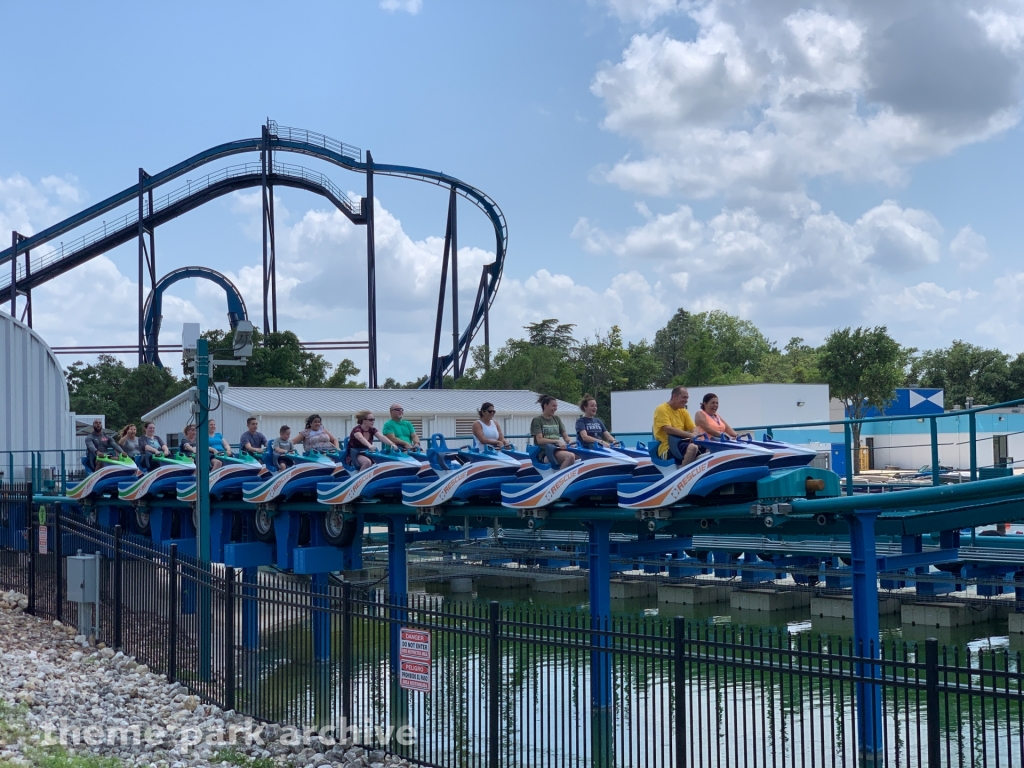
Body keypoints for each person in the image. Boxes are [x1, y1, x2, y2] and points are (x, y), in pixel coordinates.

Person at [652, 386, 700, 465]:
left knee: (707, 449)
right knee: (693, 448)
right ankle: (683, 475)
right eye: (684, 397)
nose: (686, 400)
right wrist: (689, 435)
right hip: (667, 448)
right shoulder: (661, 409)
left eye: (687, 398)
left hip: (681, 444)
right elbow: (668, 429)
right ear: (674, 396)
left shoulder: (683, 411)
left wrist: (695, 434)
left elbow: (693, 427)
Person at [530, 395, 576, 470]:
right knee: (570, 457)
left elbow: (566, 437)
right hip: (546, 453)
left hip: (559, 450)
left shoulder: (556, 419)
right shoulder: (537, 420)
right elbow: (540, 440)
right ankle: (561, 480)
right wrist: (557, 441)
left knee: (582, 456)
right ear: (546, 406)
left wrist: (570, 442)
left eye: (556, 406)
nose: (556, 408)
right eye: (553, 406)